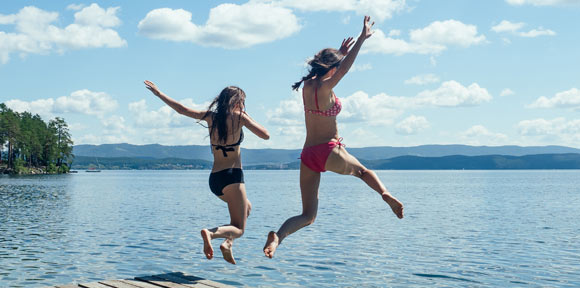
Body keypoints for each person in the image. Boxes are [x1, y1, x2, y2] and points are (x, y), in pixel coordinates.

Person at [263, 16, 404, 259]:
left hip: (308, 156)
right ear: (332, 67)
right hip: (329, 151)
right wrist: (361, 39)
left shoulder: (307, 85)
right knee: (362, 172)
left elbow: (332, 67)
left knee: (308, 215)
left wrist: (337, 53)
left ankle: (278, 237)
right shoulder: (327, 87)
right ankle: (385, 194)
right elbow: (345, 68)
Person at [144, 81, 270, 264]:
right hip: (233, 178)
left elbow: (182, 110)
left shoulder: (212, 117)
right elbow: (265, 135)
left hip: (215, 180)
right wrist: (246, 115)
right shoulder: (239, 117)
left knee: (247, 208)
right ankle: (210, 233)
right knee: (240, 228)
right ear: (238, 102)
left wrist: (159, 94)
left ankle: (227, 243)